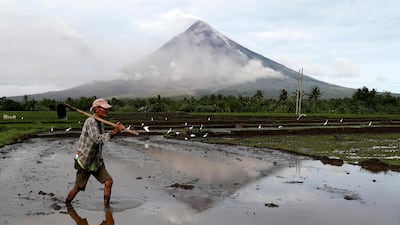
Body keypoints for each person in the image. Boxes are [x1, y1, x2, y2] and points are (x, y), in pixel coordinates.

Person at [66, 98, 125, 207]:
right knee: (78, 187)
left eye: (107, 109)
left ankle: (107, 207)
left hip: (96, 160)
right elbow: (97, 139)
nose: (106, 111)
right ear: (97, 109)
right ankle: (67, 204)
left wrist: (115, 131)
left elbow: (101, 140)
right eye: (104, 108)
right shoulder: (91, 122)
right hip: (85, 160)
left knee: (109, 182)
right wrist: (114, 132)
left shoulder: (100, 123)